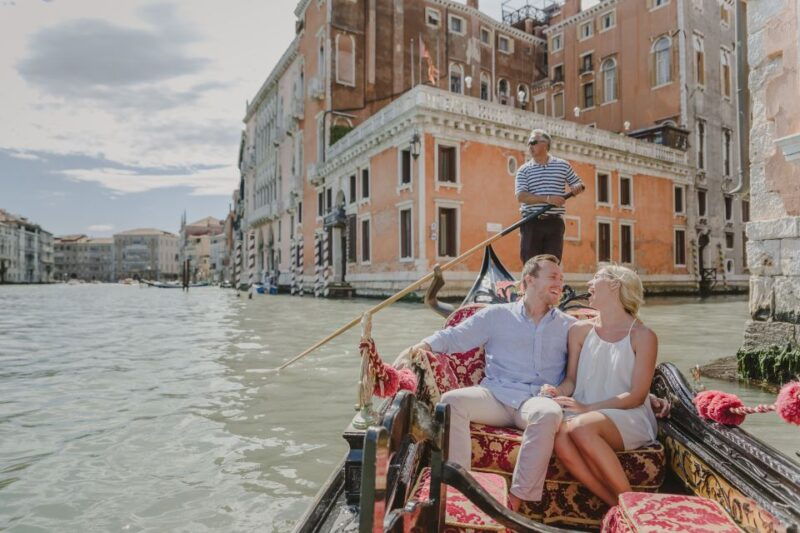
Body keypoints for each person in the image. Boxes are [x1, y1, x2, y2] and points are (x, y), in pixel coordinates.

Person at [412, 254, 573, 510]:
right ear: (529, 281)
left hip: (535, 401)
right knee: (452, 401)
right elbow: (455, 337)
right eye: (553, 276)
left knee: (549, 412)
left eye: (562, 279)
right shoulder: (496, 315)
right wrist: (421, 346)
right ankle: (460, 489)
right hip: (496, 396)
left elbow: (593, 361)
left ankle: (516, 502)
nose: (560, 283)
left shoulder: (569, 325)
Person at [542, 265, 659, 507]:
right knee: (560, 434)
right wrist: (557, 392)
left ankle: (632, 504)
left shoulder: (643, 336)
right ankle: (617, 506)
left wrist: (588, 408)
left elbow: (637, 395)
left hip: (627, 416)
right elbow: (571, 381)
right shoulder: (579, 331)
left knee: (581, 427)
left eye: (596, 278)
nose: (588, 284)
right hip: (584, 412)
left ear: (615, 285)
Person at [515, 129, 585, 264]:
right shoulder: (524, 170)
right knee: (531, 266)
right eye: (528, 143)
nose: (530, 146)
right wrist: (548, 199)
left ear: (546, 144)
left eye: (533, 142)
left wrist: (577, 188)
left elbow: (578, 184)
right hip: (531, 222)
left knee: (552, 265)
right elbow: (521, 196)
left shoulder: (562, 165)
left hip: (554, 224)